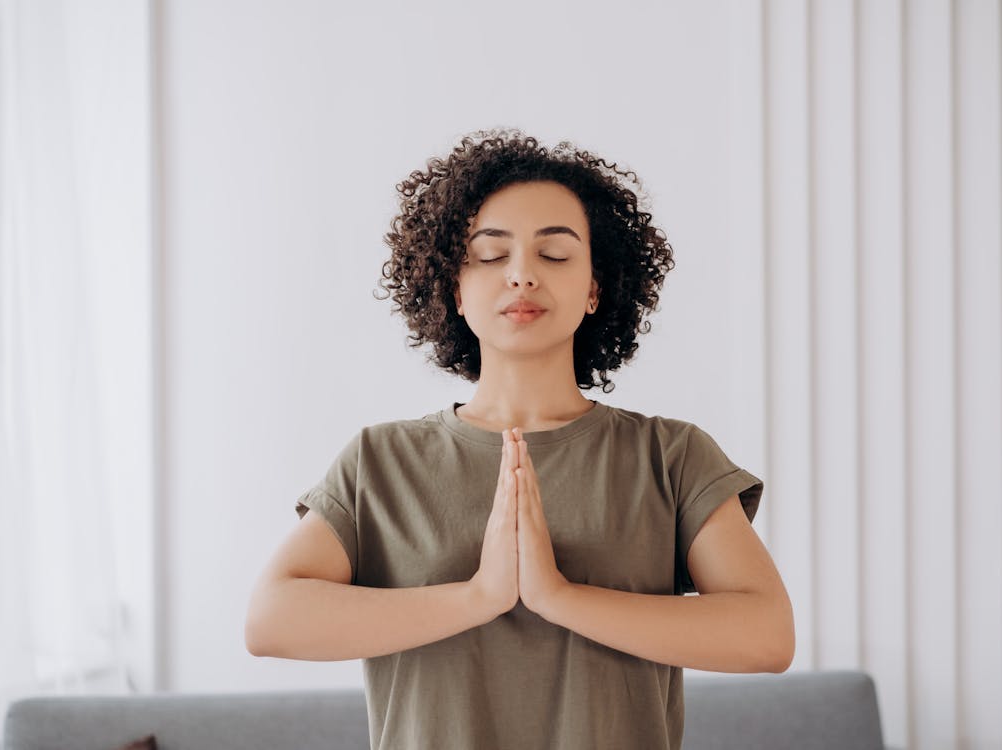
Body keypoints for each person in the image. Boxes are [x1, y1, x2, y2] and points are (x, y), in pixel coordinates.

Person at [244, 128, 794, 750]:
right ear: (455, 286)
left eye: (554, 255)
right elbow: (270, 622)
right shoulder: (381, 462)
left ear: (594, 289)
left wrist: (558, 596)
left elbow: (767, 635)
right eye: (491, 254)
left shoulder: (670, 457)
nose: (523, 275)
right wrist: (480, 596)